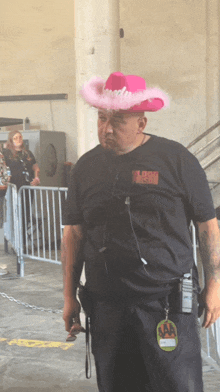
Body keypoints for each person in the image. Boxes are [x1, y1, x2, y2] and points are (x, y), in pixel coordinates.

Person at [62, 72, 220, 392]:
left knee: (177, 385)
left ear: (141, 123)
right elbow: (74, 234)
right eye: (102, 118)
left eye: (118, 121)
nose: (106, 128)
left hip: (167, 304)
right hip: (107, 306)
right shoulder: (85, 169)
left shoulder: (177, 161)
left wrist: (215, 282)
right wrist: (68, 297)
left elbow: (207, 225)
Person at [2, 131, 40, 249]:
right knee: (14, 215)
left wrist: (37, 177)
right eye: (15, 138)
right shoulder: (7, 153)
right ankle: (14, 242)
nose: (18, 139)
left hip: (27, 188)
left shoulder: (27, 153)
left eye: (19, 137)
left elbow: (35, 167)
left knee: (26, 215)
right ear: (11, 140)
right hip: (14, 188)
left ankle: (22, 243)